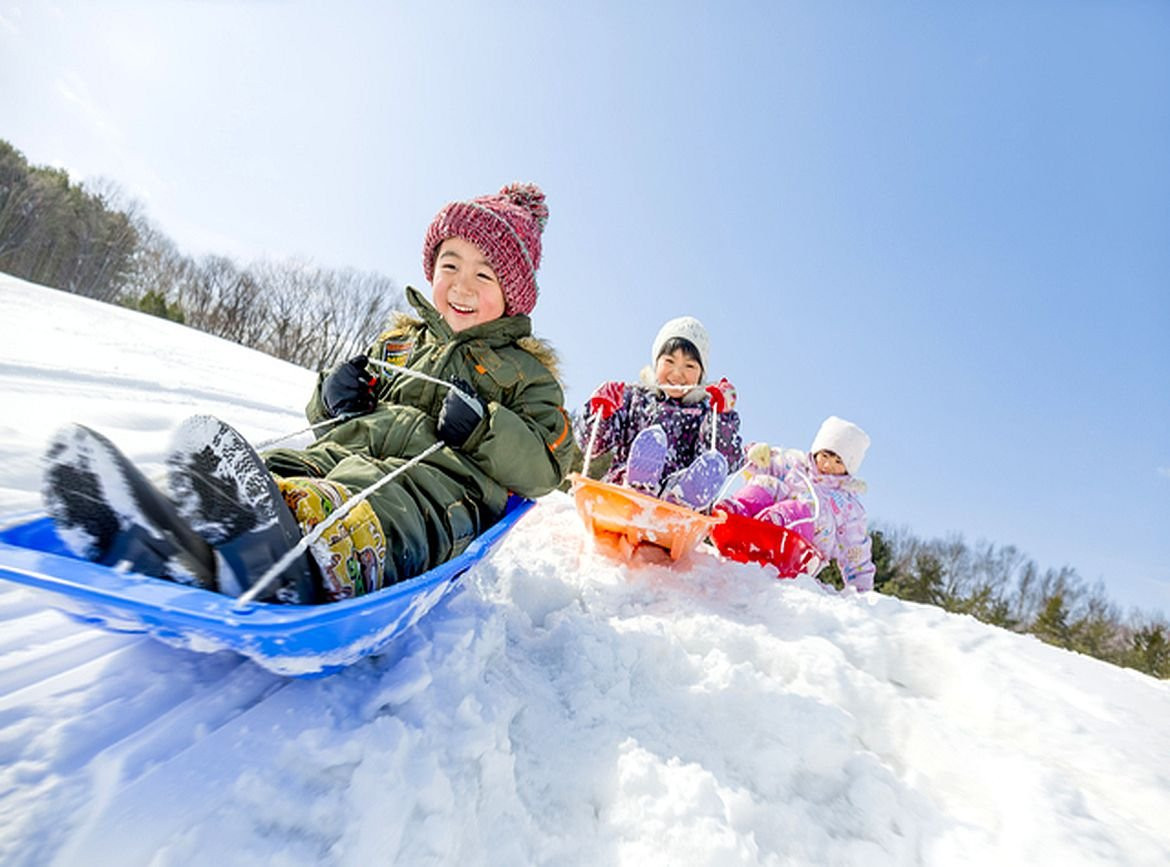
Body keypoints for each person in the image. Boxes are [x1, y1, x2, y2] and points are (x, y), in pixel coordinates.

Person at [43, 183, 578, 604]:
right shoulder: (397, 343)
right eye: (450, 266)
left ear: (512, 296)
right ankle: (169, 530)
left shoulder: (527, 373)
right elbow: (327, 425)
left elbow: (549, 466)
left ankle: (292, 559)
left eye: (484, 275)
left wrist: (485, 429)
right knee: (281, 468)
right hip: (343, 453)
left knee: (376, 499)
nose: (461, 285)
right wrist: (334, 398)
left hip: (438, 490)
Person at [574, 315, 742, 511]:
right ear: (656, 363)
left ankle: (682, 498)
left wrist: (722, 417)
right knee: (642, 457)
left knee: (697, 473)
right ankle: (640, 485)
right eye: (669, 361)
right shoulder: (633, 399)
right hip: (623, 492)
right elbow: (590, 444)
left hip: (674, 499)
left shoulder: (704, 413)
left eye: (689, 366)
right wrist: (602, 413)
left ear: (701, 374)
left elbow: (726, 462)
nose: (677, 373)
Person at [716, 415, 875, 591]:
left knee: (810, 506)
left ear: (849, 467)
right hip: (765, 526)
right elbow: (763, 464)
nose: (828, 465)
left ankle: (772, 524)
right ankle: (734, 510)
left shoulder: (848, 505)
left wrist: (862, 591)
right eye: (825, 456)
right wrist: (755, 454)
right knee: (767, 482)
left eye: (838, 462)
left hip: (801, 550)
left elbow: (855, 550)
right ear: (816, 451)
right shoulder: (794, 464)